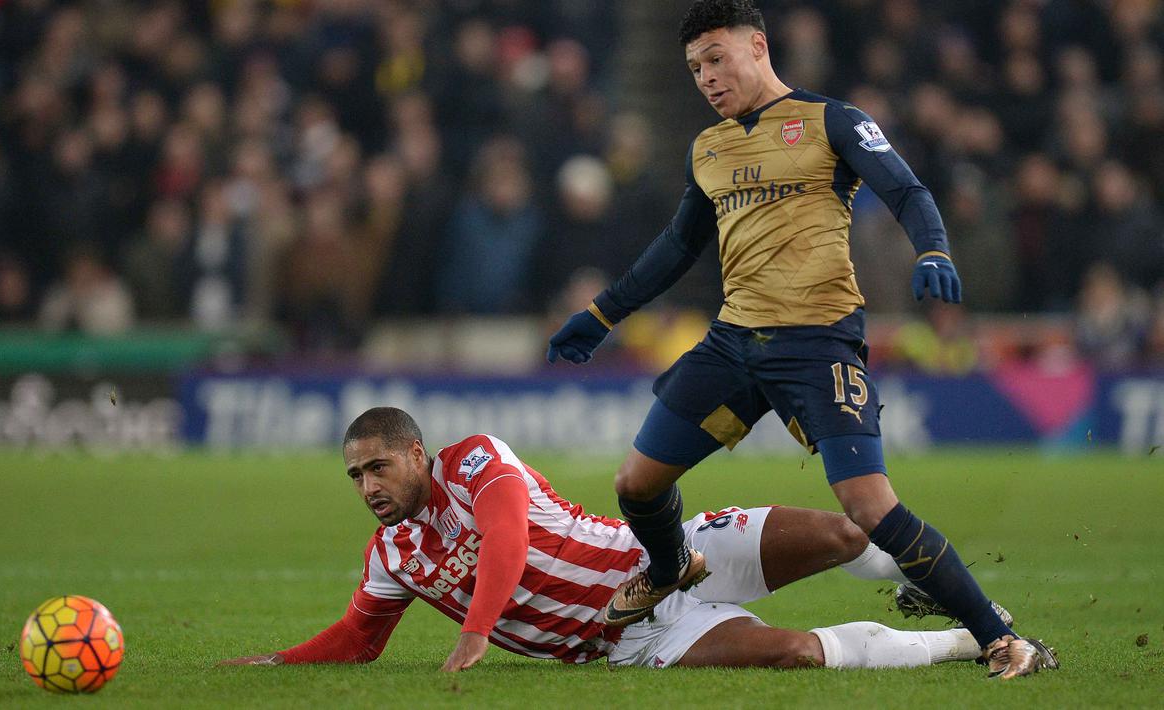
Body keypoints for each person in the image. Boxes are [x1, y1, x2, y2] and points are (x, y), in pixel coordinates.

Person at [544, 0, 1056, 679]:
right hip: (733, 344)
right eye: (695, 67)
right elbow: (677, 248)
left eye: (716, 59)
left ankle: (1000, 638)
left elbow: (905, 191)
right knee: (636, 483)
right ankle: (670, 568)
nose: (706, 78)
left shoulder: (831, 120)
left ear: (757, 46)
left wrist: (933, 252)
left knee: (867, 505)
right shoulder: (710, 146)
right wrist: (602, 314)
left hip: (817, 343)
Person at [220, 407, 1005, 672]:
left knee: (841, 529)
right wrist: (272, 663)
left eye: (378, 467)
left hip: (663, 557)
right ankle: (966, 647)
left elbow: (503, 537)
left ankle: (961, 602)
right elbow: (358, 640)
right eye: (355, 476)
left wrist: (476, 629)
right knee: (795, 654)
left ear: (417, 454)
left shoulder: (476, 461)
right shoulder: (392, 556)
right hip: (627, 637)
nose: (368, 488)